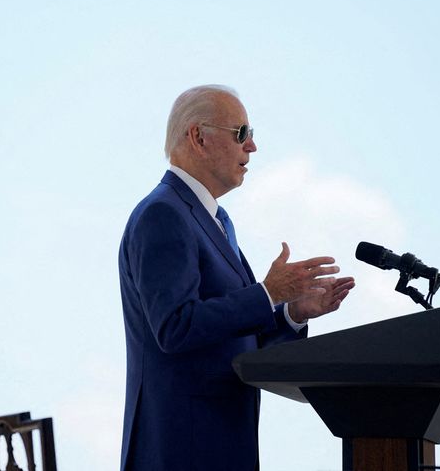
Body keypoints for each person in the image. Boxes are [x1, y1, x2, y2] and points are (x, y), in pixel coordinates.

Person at [118, 85, 355, 470]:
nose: (252, 148)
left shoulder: (217, 221)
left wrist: (292, 313)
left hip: (223, 444)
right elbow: (175, 327)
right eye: (242, 133)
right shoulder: (162, 215)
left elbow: (238, 341)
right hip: (181, 448)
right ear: (199, 136)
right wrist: (267, 293)